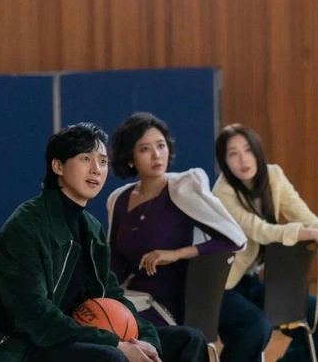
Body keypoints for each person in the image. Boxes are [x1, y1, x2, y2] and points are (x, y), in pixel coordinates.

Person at [0, 122, 208, 362]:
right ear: (58, 166)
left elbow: (112, 295)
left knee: (189, 340)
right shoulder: (26, 226)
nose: (96, 169)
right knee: (110, 357)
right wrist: (115, 343)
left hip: (83, 336)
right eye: (85, 159)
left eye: (102, 161)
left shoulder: (91, 227)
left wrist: (147, 340)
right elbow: (33, 315)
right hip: (29, 346)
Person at [106, 112, 247, 328]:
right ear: (130, 158)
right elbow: (117, 263)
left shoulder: (184, 189)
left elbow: (234, 240)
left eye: (161, 146)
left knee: (115, 330)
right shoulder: (119, 198)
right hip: (133, 298)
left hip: (175, 304)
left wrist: (177, 253)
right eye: (144, 149)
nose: (156, 155)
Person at [212, 123, 318, 362]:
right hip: (223, 286)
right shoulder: (222, 192)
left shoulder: (274, 176)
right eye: (233, 154)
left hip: (252, 282)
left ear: (257, 150)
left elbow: (303, 215)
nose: (243, 160)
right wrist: (308, 233)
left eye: (248, 150)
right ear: (224, 161)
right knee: (255, 328)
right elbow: (261, 231)